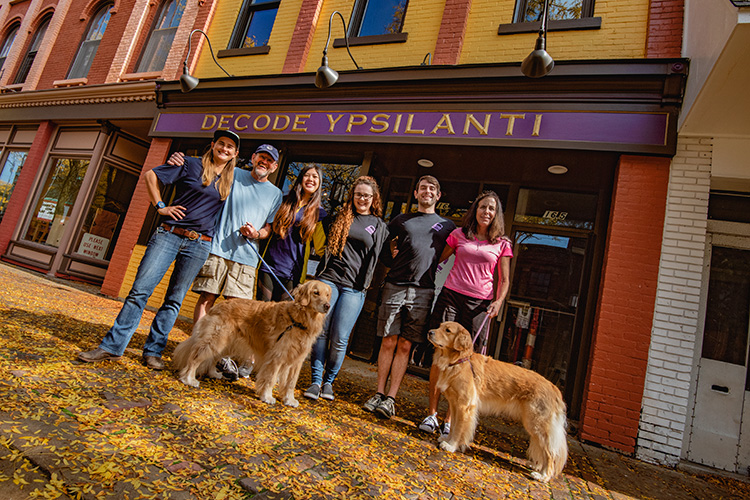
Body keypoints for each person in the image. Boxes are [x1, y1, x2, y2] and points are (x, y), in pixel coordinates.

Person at [78, 130, 239, 370]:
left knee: (174, 300)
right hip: (169, 236)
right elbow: (151, 175)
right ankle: (111, 347)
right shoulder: (189, 164)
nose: (224, 149)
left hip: (200, 243)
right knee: (139, 292)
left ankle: (153, 352)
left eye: (230, 147)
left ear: (235, 154)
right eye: (221, 144)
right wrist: (161, 206)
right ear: (213, 144)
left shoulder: (232, 179)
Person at [170, 143, 283, 379]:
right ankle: (198, 353)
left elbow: (268, 228)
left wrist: (256, 234)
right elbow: (208, 168)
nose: (264, 162)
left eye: (269, 160)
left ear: (274, 166)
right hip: (218, 249)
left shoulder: (275, 193)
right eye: (261, 157)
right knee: (207, 299)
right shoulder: (233, 174)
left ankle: (217, 360)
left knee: (238, 311)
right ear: (252, 158)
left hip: (247, 258)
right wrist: (180, 158)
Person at [418, 190, 513, 436]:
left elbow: (504, 280)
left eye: (492, 209)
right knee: (441, 355)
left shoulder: (502, 243)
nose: (487, 212)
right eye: (483, 207)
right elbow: (437, 259)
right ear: (476, 210)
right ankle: (431, 415)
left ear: (496, 215)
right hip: (451, 295)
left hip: (480, 305)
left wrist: (498, 302)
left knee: (465, 361)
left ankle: (450, 419)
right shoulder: (459, 235)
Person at [362, 175, 455, 420]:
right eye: (423, 188)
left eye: (432, 188)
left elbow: (451, 250)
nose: (427, 191)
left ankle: (391, 399)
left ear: (438, 195)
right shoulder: (401, 220)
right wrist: (390, 256)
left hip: (423, 290)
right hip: (395, 285)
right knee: (388, 341)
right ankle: (378, 393)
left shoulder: (447, 225)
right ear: (415, 194)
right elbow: (381, 245)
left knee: (405, 345)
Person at [304, 176, 389, 401]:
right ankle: (315, 380)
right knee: (321, 332)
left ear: (374, 199)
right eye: (358, 194)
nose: (362, 199)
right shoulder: (339, 217)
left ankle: (329, 382)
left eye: (367, 196)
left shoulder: (379, 225)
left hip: (354, 287)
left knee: (340, 337)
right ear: (352, 195)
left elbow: (384, 256)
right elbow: (316, 230)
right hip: (329, 281)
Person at [257, 164, 327, 302]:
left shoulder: (320, 213)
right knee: (262, 312)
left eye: (315, 176)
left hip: (293, 272)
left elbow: (320, 248)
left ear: (319, 183)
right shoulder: (283, 201)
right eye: (307, 175)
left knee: (282, 317)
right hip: (268, 265)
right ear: (301, 179)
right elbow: (266, 224)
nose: (310, 179)